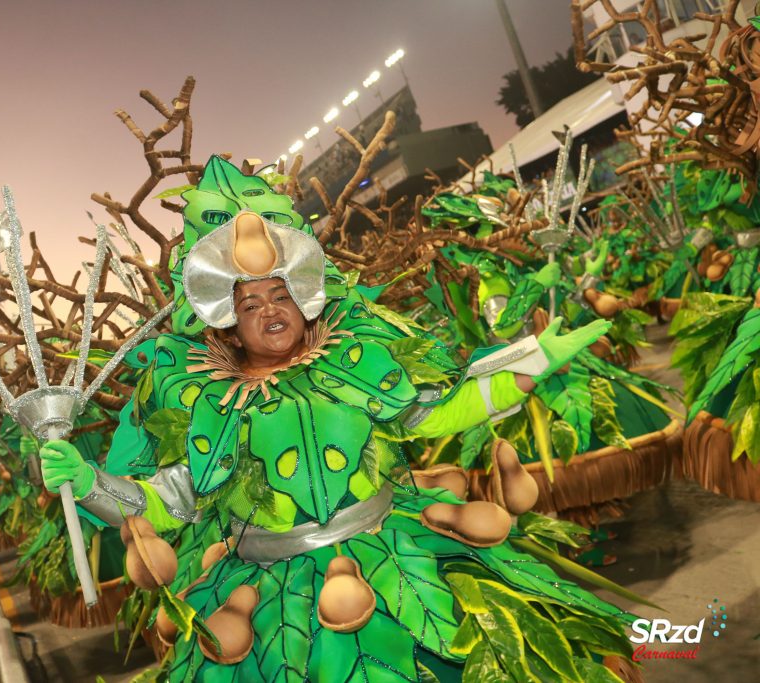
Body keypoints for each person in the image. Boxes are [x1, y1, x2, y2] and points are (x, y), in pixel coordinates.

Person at [36, 159, 636, 681]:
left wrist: (532, 364)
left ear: (305, 296)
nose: (270, 311)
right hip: (268, 584)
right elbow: (169, 503)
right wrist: (89, 483)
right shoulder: (201, 400)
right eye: (250, 304)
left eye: (280, 296)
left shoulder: (351, 362)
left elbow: (436, 414)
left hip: (390, 545)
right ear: (226, 322)